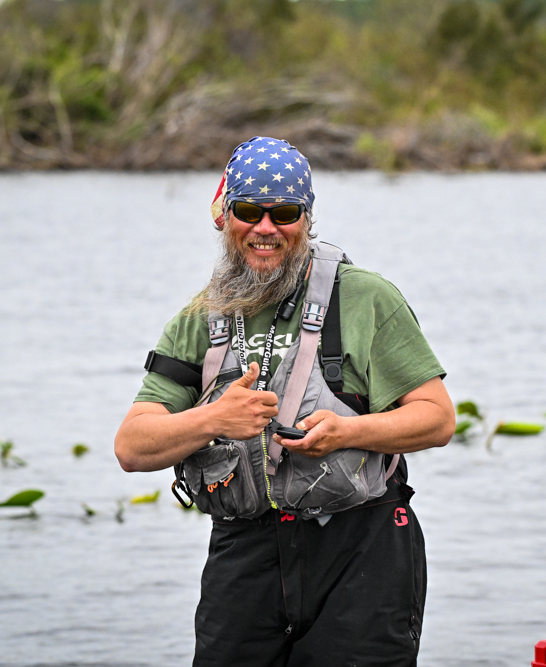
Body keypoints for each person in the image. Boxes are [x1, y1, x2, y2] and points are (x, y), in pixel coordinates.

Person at [114, 136, 455, 667]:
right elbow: (132, 447)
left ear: (307, 219)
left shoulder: (366, 297)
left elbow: (437, 418)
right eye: (250, 211)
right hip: (244, 558)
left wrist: (348, 432)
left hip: (362, 549)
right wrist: (213, 418)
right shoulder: (198, 319)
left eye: (285, 213)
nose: (266, 227)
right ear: (226, 218)